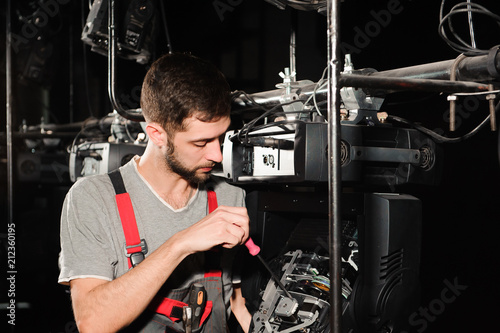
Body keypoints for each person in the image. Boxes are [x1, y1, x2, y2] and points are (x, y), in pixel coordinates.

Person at [58, 53, 252, 332]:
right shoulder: (93, 199)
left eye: (221, 137)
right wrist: (181, 243)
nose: (217, 155)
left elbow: (236, 302)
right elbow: (93, 322)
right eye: (201, 142)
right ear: (157, 134)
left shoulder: (229, 198)